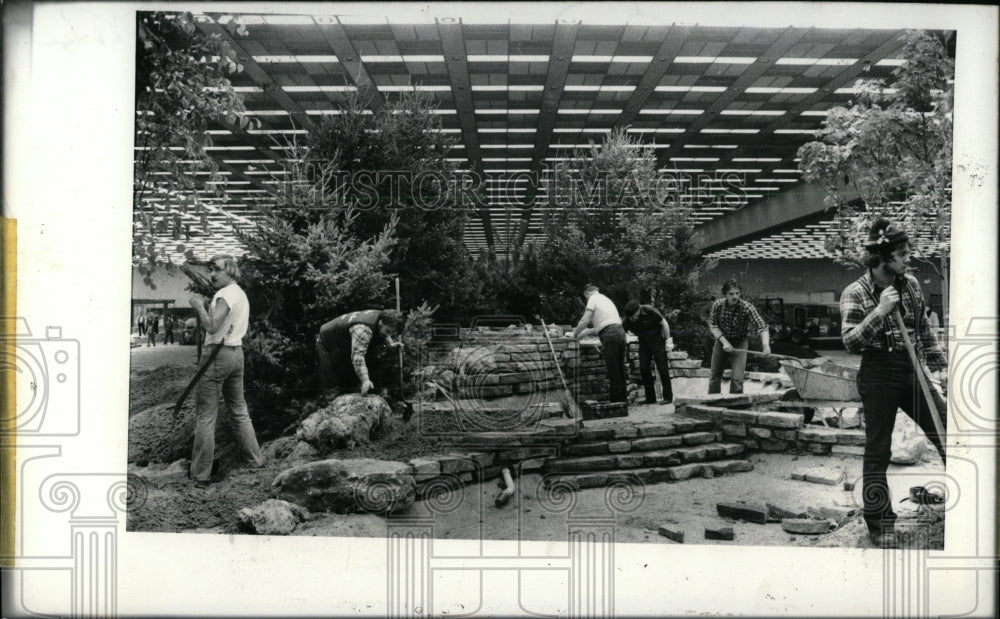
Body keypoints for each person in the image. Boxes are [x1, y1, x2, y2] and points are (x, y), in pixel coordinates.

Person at [840, 218, 947, 547]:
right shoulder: (855, 292)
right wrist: (881, 312)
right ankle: (880, 523)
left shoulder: (911, 284)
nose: (907, 258)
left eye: (907, 252)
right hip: (878, 374)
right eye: (901, 253)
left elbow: (924, 330)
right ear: (883, 256)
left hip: (913, 371)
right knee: (878, 451)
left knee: (948, 430)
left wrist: (940, 366)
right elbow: (850, 341)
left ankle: (970, 503)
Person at [187, 254, 264, 488]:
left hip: (216, 354)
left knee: (207, 414)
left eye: (216, 270)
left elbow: (211, 325)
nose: (212, 275)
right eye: (210, 270)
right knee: (239, 410)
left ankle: (200, 476)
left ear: (230, 270)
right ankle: (255, 460)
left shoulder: (224, 295)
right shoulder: (240, 294)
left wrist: (199, 305)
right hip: (236, 354)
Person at [317, 309, 404, 396]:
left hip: (345, 343)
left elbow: (387, 331)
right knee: (332, 387)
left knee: (353, 385)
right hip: (328, 342)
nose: (389, 335)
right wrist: (365, 380)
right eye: (388, 331)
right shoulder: (363, 330)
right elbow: (358, 357)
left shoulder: (383, 318)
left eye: (392, 334)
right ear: (381, 322)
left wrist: (390, 344)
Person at [706, 279, 770, 394]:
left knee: (737, 379)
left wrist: (766, 345)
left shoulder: (747, 307)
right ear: (725, 294)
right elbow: (713, 326)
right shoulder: (718, 305)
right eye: (731, 294)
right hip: (721, 342)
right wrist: (725, 342)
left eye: (737, 293)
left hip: (740, 343)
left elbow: (762, 327)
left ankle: (735, 407)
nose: (735, 297)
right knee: (715, 376)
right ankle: (712, 406)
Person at [572, 284, 627, 403]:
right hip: (620, 332)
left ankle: (616, 403)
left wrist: (575, 334)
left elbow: (585, 320)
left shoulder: (592, 299)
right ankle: (623, 401)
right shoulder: (605, 299)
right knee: (619, 368)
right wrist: (586, 333)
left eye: (585, 297)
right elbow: (605, 324)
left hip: (610, 335)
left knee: (613, 369)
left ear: (588, 293)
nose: (586, 300)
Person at [622, 300, 674, 404]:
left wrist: (668, 340)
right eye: (630, 318)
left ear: (638, 311)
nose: (633, 319)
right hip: (643, 342)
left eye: (634, 316)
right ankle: (650, 398)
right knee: (644, 368)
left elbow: (663, 322)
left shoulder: (649, 310)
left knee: (662, 368)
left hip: (657, 339)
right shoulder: (628, 319)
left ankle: (668, 397)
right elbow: (621, 332)